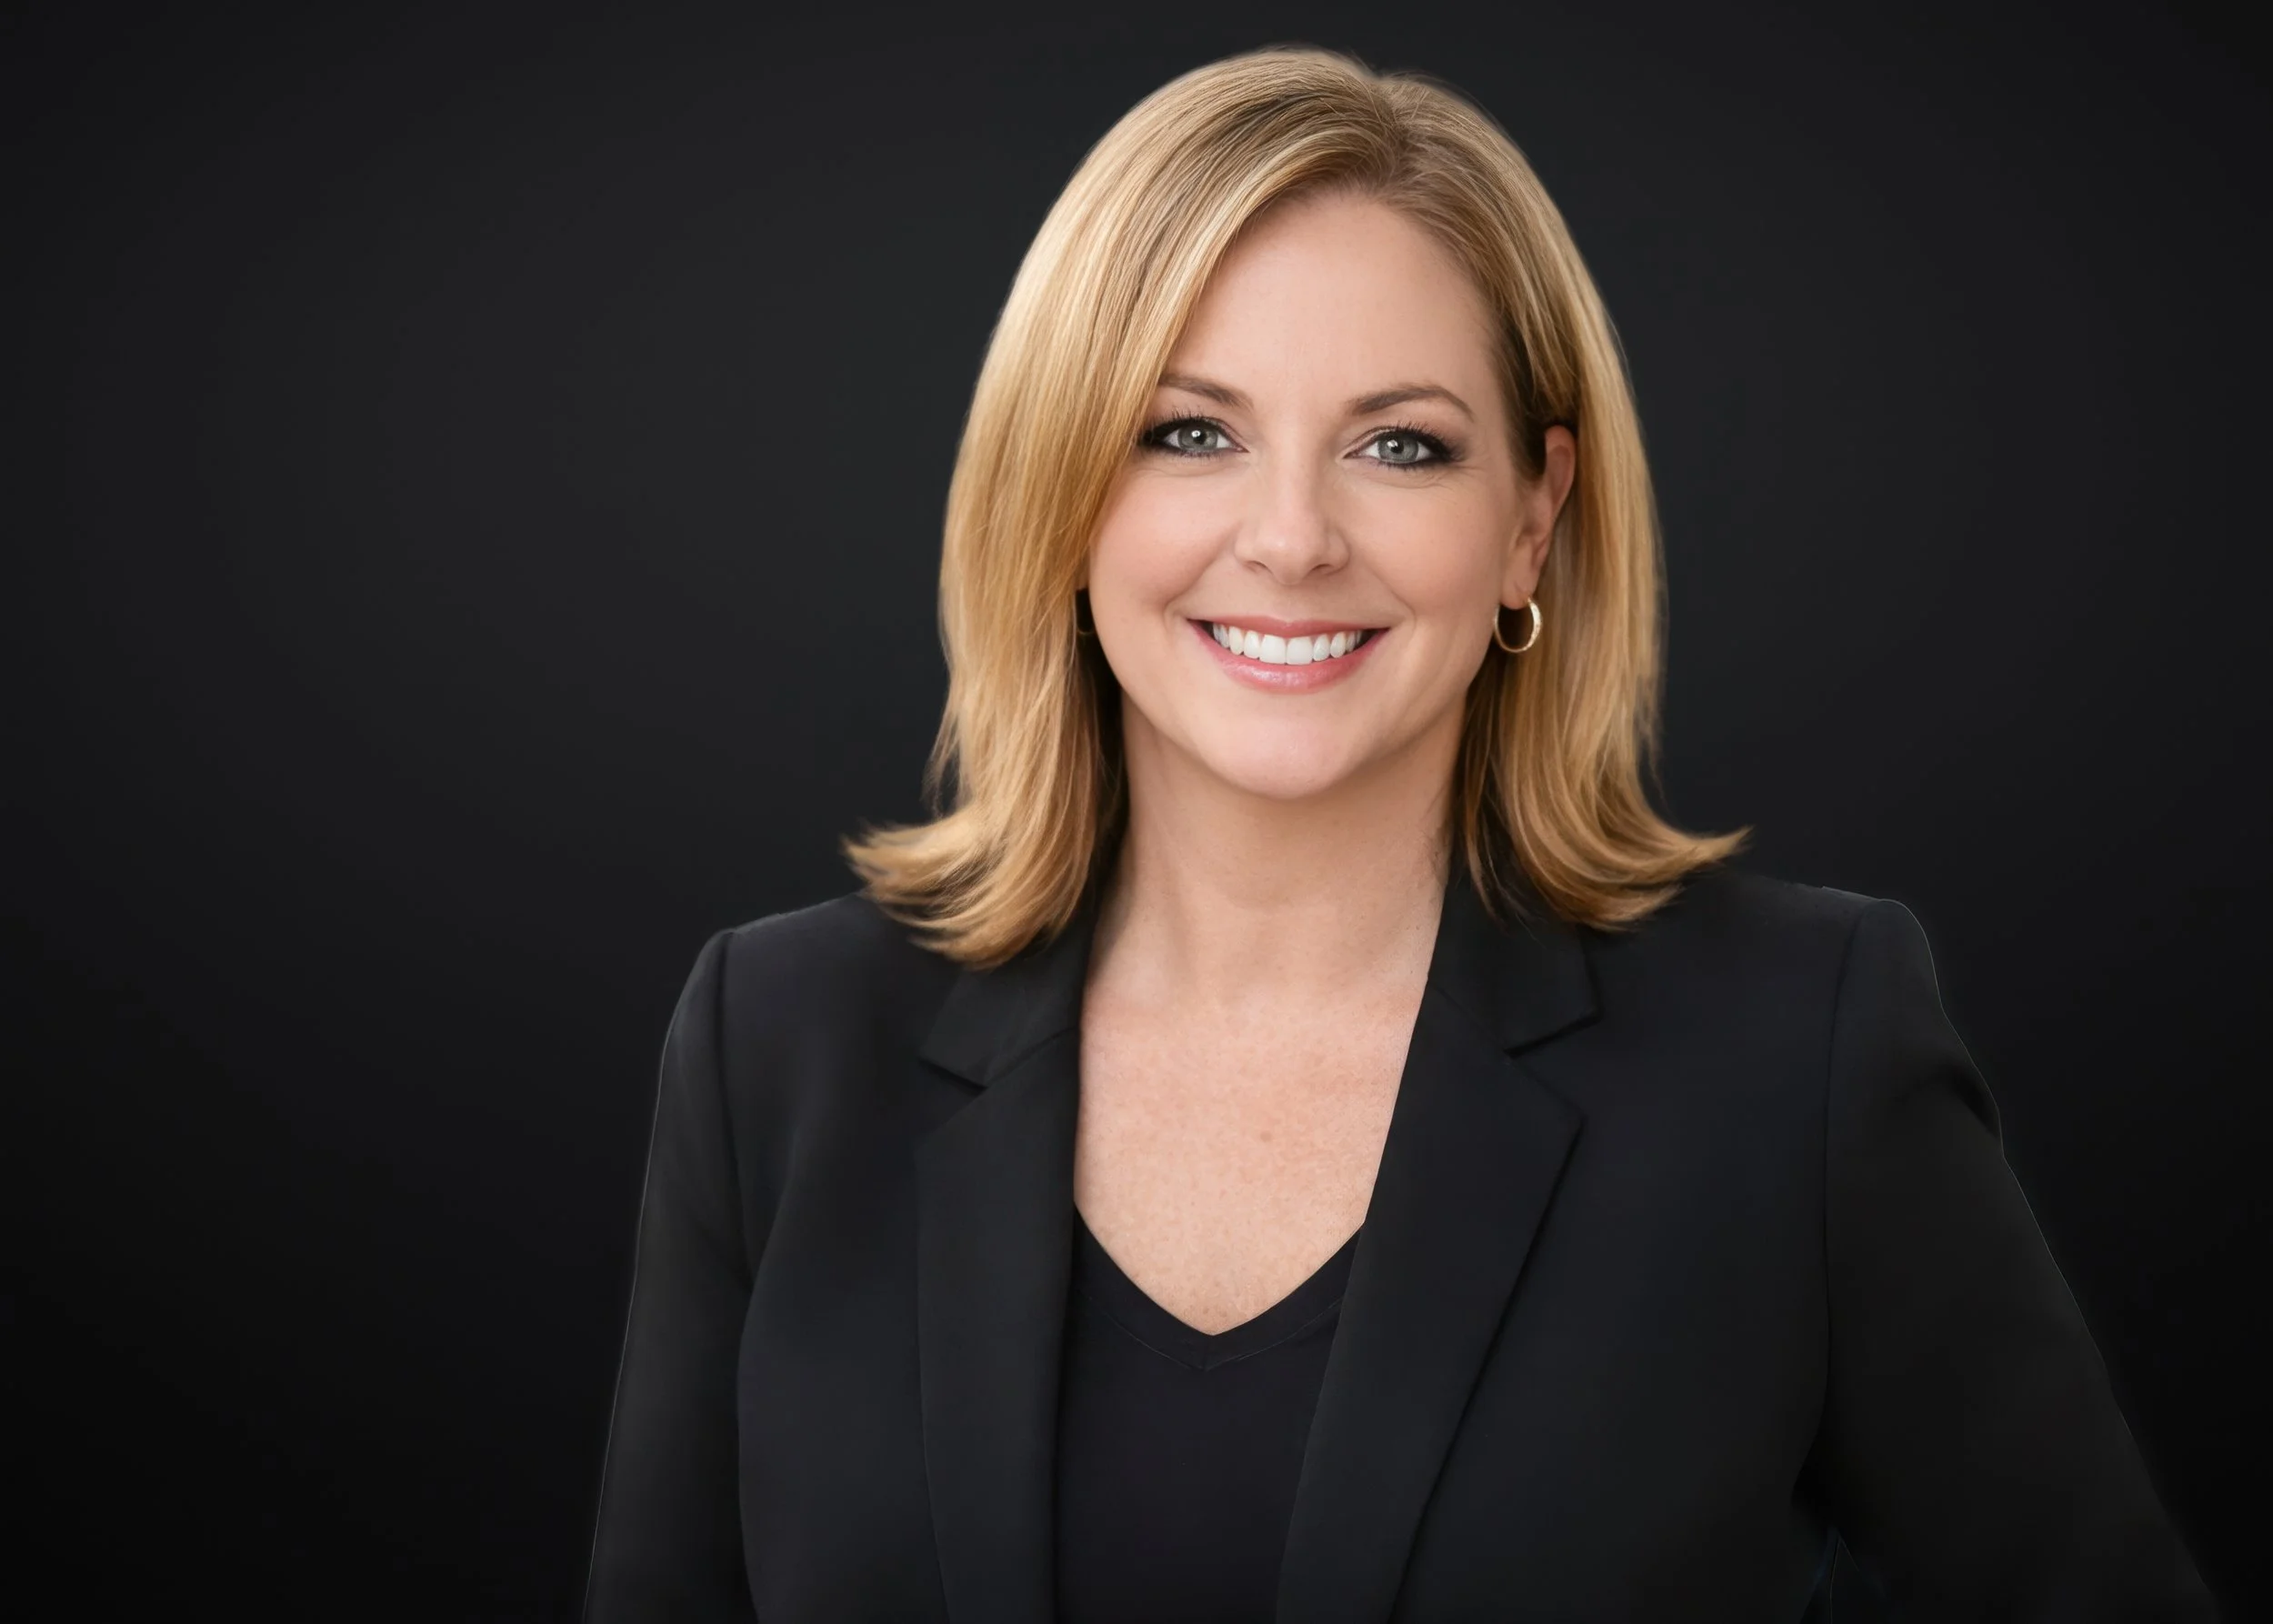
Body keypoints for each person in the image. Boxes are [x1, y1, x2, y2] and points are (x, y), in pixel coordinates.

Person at [581, 44, 2216, 1623]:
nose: (1291, 539)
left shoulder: (1805, 1049)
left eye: (1401, 445)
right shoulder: (777, 1047)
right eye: (1188, 430)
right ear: (1061, 491)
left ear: (1532, 517)